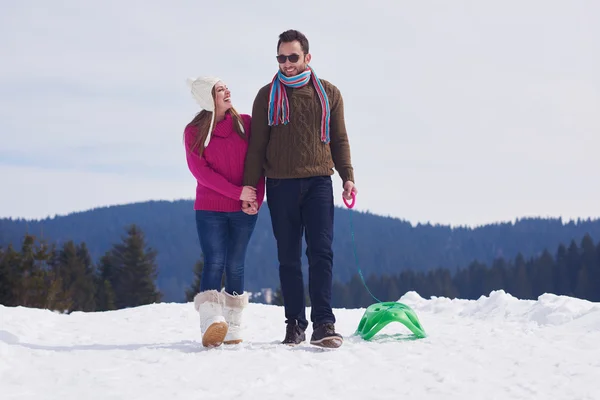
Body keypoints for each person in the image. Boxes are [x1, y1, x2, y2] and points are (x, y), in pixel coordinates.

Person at [242, 29, 357, 348]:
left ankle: (324, 323)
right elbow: (256, 147)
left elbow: (339, 139)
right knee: (288, 257)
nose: (287, 63)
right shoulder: (267, 95)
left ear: (307, 58)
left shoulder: (329, 94)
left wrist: (346, 175)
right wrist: (249, 187)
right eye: (281, 57)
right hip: (280, 185)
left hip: (320, 181)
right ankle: (294, 323)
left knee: (321, 253)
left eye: (293, 57)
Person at [184, 76, 265, 348]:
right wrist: (237, 192)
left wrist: (256, 197)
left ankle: (234, 325)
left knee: (236, 262)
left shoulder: (246, 124)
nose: (227, 91)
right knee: (215, 260)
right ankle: (211, 321)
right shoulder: (193, 131)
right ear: (209, 98)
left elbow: (259, 161)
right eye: (220, 89)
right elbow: (200, 172)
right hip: (210, 208)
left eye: (225, 86)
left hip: (244, 206)